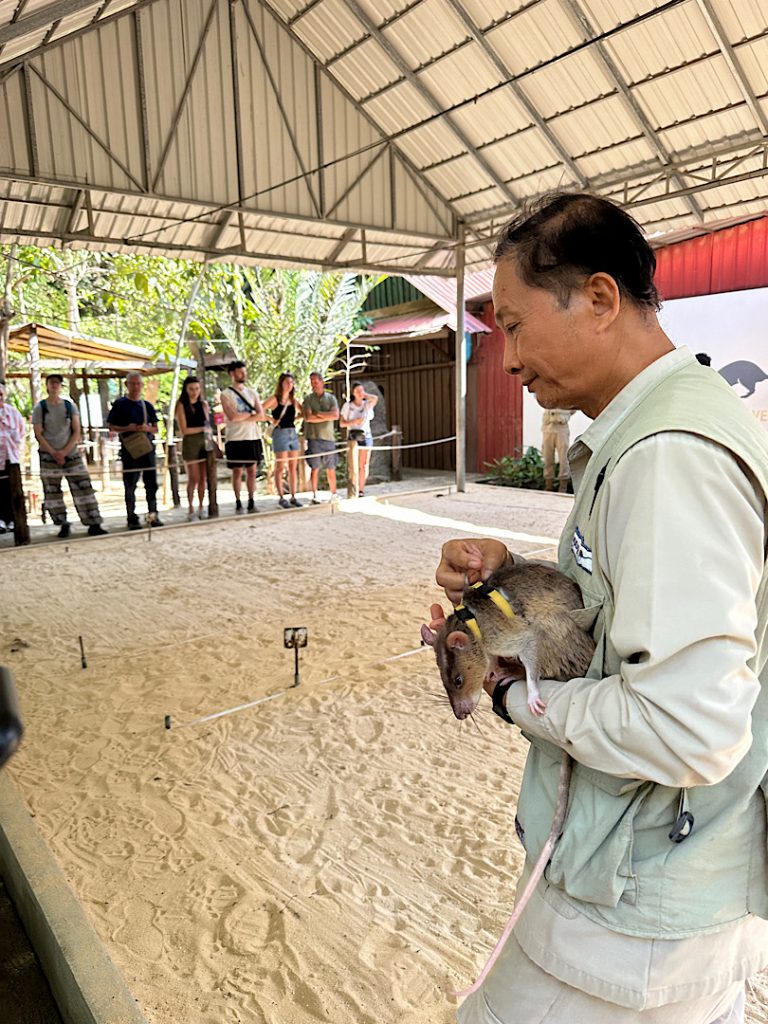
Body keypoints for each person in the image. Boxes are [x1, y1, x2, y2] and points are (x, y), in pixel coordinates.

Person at [430, 193, 768, 1024]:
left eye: (515, 326)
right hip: (653, 891)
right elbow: (634, 611)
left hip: (627, 921)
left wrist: (516, 698)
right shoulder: (658, 428)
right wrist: (514, 579)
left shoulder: (669, 456)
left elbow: (689, 726)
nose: (509, 361)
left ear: (601, 299)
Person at [31, 374, 107, 538]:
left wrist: (65, 451)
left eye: (57, 383)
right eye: (52, 383)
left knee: (84, 487)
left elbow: (76, 430)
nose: (54, 386)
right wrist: (53, 452)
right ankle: (62, 523)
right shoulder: (40, 408)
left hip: (71, 454)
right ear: (47, 385)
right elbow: (38, 433)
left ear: (61, 386)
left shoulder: (69, 406)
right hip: (48, 455)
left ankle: (93, 522)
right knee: (52, 491)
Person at [107, 371, 164, 530]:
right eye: (132, 384)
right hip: (129, 450)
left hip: (147, 449)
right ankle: (131, 518)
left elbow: (155, 428)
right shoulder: (119, 405)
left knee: (151, 484)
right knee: (130, 484)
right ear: (127, 385)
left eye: (138, 384)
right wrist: (128, 428)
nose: (136, 387)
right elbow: (111, 426)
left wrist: (146, 428)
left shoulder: (147, 406)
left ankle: (153, 515)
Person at [220, 360, 264, 514]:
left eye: (244, 372)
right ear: (232, 374)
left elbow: (261, 415)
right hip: (235, 438)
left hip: (252, 436)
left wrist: (244, 416)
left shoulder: (252, 393)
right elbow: (232, 416)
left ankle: (251, 501)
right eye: (240, 372)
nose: (243, 375)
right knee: (237, 471)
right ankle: (238, 502)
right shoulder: (226, 394)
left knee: (252, 470)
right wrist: (250, 414)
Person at [262, 372, 304, 509]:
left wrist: (295, 418)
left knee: (293, 466)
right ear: (281, 384)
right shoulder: (275, 399)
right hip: (280, 433)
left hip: (292, 432)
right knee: (280, 466)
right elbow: (260, 409)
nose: (289, 385)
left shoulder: (293, 400)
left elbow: (303, 412)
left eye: (291, 382)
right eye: (287, 382)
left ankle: (293, 496)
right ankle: (281, 496)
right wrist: (271, 419)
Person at [174, 376, 210, 521]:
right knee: (193, 478)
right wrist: (202, 429)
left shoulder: (204, 405)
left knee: (203, 478)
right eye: (191, 389)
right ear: (186, 390)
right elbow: (184, 430)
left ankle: (201, 506)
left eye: (196, 389)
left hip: (204, 442)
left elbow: (207, 425)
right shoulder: (181, 405)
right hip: (190, 443)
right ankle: (190, 509)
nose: (194, 392)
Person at [302, 371, 339, 504]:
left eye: (316, 382)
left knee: (331, 467)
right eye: (311, 382)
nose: (313, 384)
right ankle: (315, 494)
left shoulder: (331, 398)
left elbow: (335, 415)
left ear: (322, 382)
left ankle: (333, 493)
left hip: (329, 438)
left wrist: (317, 413)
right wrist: (326, 416)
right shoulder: (308, 399)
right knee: (315, 467)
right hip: (313, 437)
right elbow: (308, 417)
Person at [340, 383, 378, 497]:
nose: (360, 393)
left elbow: (375, 399)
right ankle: (354, 487)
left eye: (362, 390)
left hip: (365, 435)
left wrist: (364, 395)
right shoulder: (348, 406)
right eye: (357, 391)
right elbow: (342, 423)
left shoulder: (367, 405)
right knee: (353, 464)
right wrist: (354, 422)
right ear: (353, 393)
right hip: (354, 435)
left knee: (364, 464)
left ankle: (361, 489)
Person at [0, 382, 25, 535]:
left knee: (12, 490)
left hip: (11, 458)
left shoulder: (13, 413)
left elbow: (21, 433)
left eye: (1, 394)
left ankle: (12, 520)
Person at [540, 407, 573, 492]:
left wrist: (564, 416)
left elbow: (573, 409)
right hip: (548, 427)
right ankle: (548, 485)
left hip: (561, 428)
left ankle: (563, 487)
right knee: (548, 457)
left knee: (563, 458)